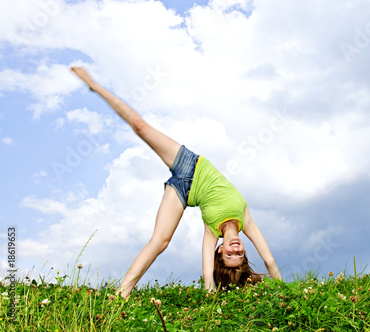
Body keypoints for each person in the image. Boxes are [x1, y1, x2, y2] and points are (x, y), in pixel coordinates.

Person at [70, 67, 282, 299]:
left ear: (219, 251)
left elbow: (208, 280)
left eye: (229, 256)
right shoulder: (246, 220)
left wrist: (211, 294)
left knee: (160, 241)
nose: (236, 251)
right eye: (239, 255)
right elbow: (269, 259)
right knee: (140, 127)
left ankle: (121, 293)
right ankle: (96, 86)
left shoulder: (211, 232)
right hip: (190, 164)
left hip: (182, 193)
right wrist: (283, 293)